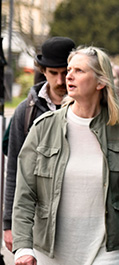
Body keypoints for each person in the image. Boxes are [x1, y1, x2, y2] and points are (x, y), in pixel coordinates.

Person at [12, 46, 119, 265]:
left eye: (79, 70)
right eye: (69, 69)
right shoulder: (44, 128)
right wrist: (23, 247)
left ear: (100, 82)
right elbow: (25, 194)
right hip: (51, 251)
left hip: (110, 250)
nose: (69, 76)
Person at [3, 36, 76, 251]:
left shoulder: (88, 109)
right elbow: (14, 168)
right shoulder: (25, 111)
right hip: (38, 213)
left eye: (66, 72)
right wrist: (9, 223)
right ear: (43, 71)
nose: (61, 81)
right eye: (54, 73)